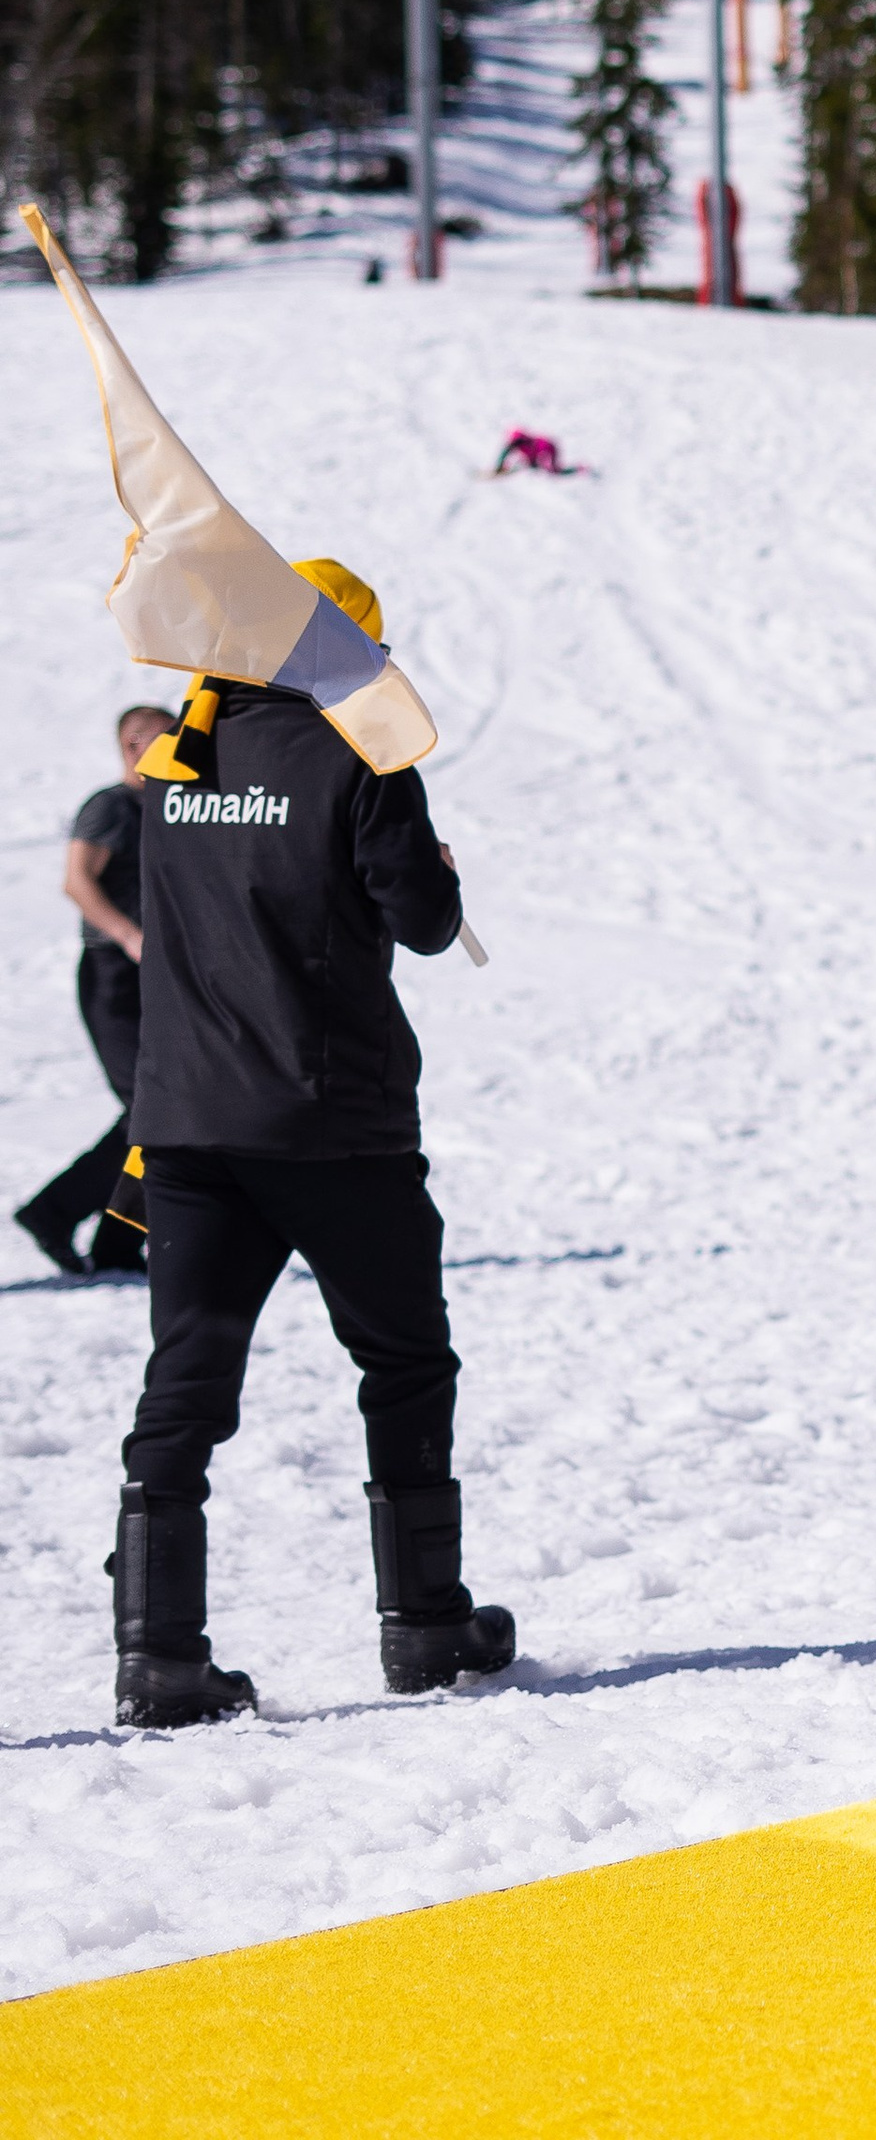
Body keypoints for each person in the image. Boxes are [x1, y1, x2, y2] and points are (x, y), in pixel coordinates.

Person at [110, 556, 516, 1731]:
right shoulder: (357, 750)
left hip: (186, 1121)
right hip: (331, 1119)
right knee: (402, 1363)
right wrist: (435, 876)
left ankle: (159, 1656)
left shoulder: (176, 760)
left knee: (182, 1391)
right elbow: (424, 927)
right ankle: (427, 1625)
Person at [14, 703, 177, 1278]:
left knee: (169, 1113)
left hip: (163, 979)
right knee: (153, 1112)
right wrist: (128, 934)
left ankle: (115, 1241)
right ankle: (55, 1213)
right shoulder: (111, 806)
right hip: (114, 977)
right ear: (131, 746)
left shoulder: (173, 804)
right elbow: (77, 881)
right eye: (164, 738)